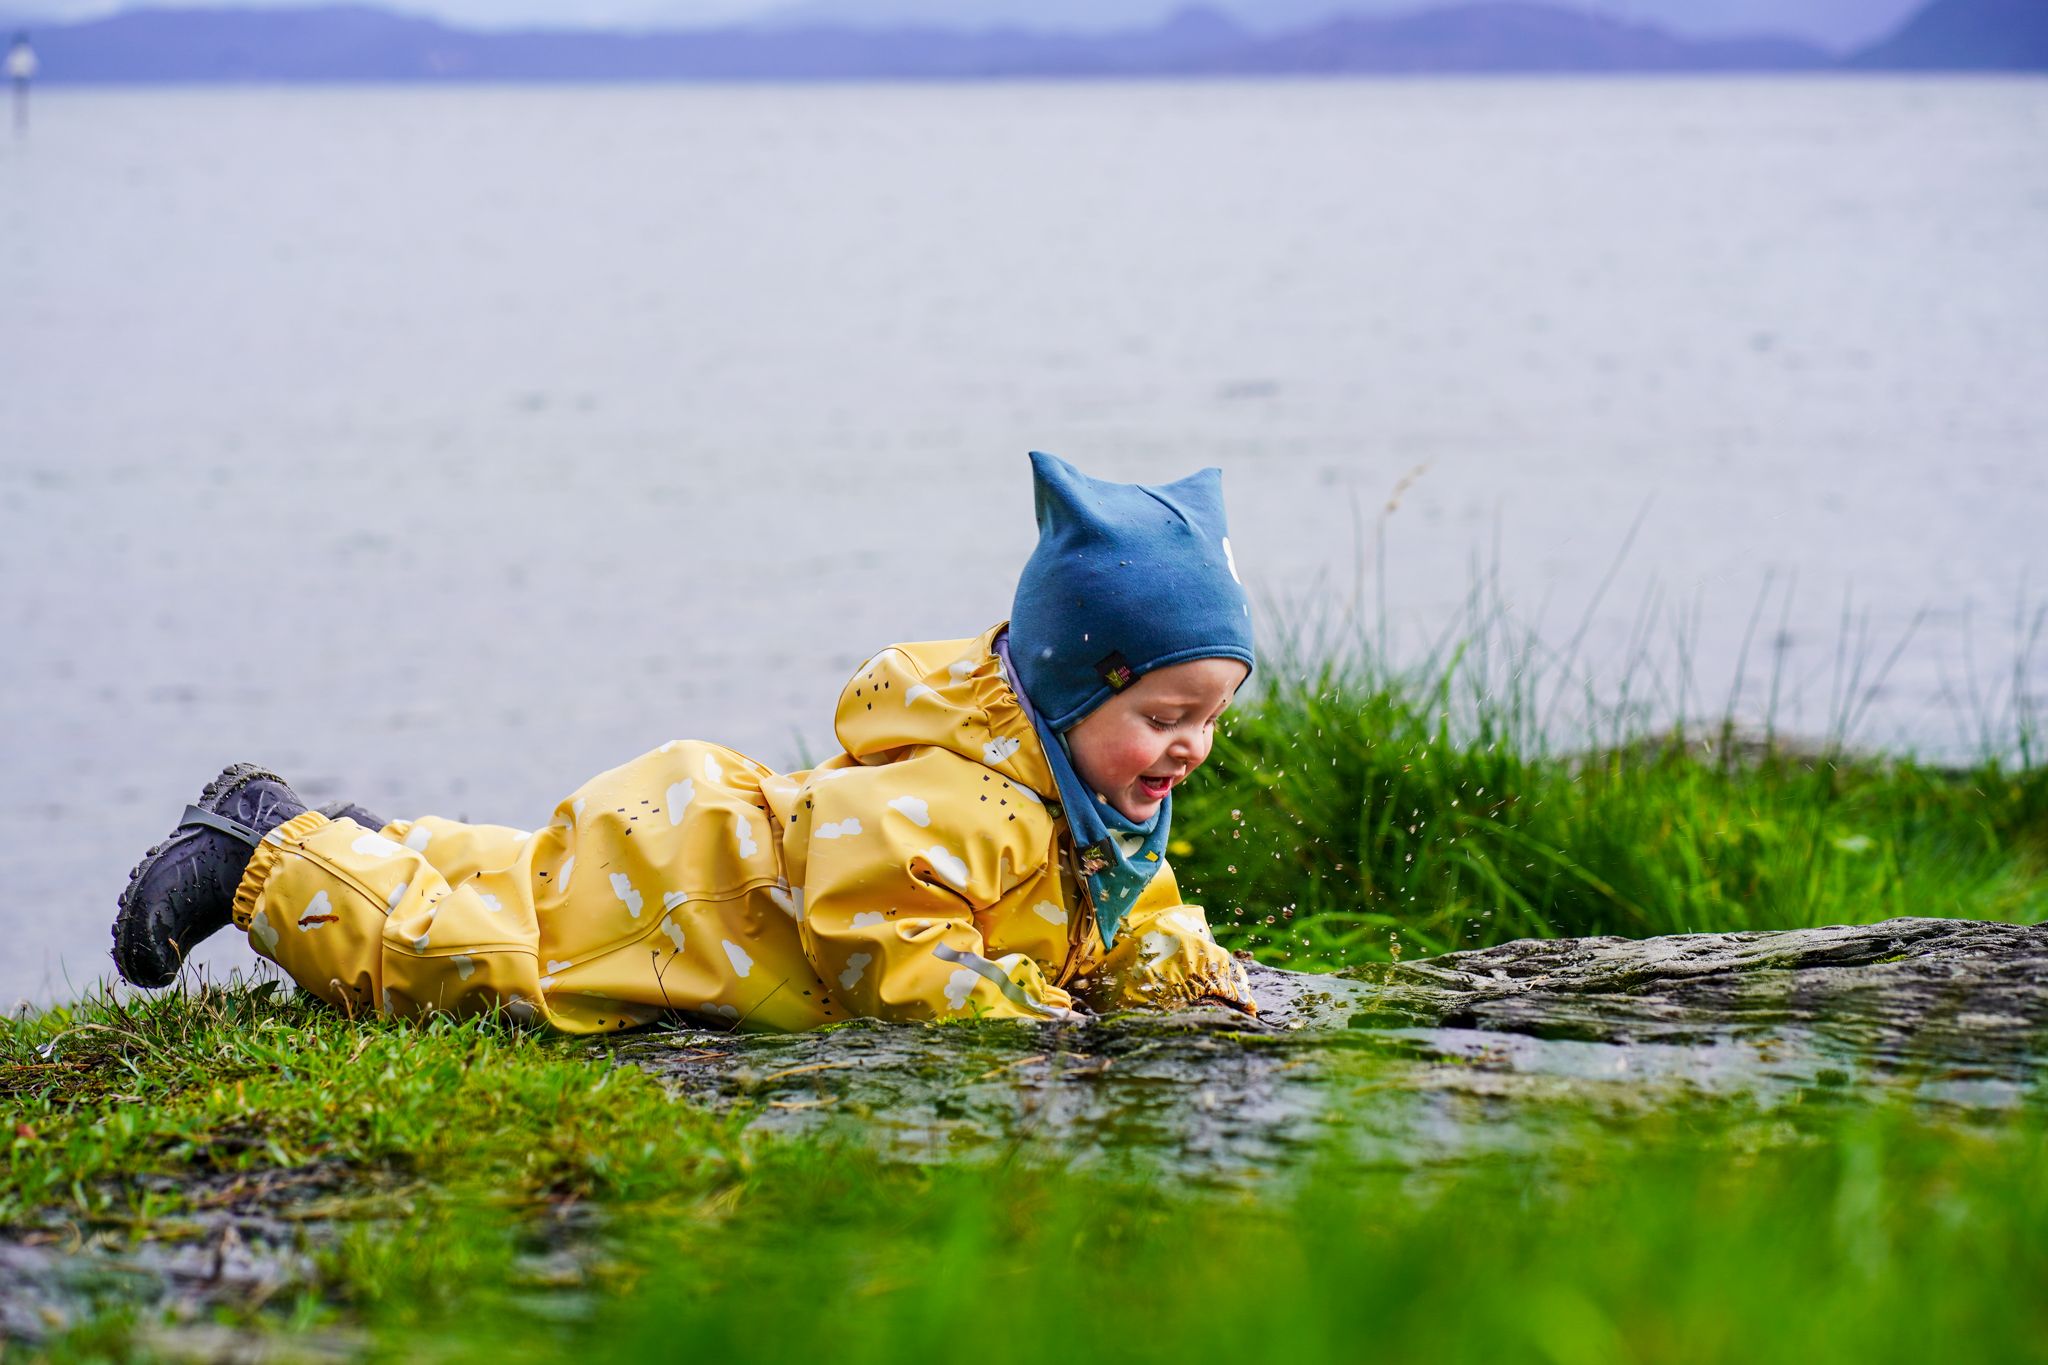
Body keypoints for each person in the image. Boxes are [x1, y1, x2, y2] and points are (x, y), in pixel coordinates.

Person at [111, 452, 1259, 1032]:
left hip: (697, 854)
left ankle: (358, 845)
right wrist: (1021, 1018)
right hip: (692, 902)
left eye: (1209, 717)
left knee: (520, 879)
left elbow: (1131, 919)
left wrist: (1188, 978)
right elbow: (884, 953)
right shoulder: (966, 803)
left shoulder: (1098, 811)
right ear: (1061, 698)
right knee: (495, 967)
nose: (1188, 749)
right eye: (1161, 719)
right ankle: (256, 852)